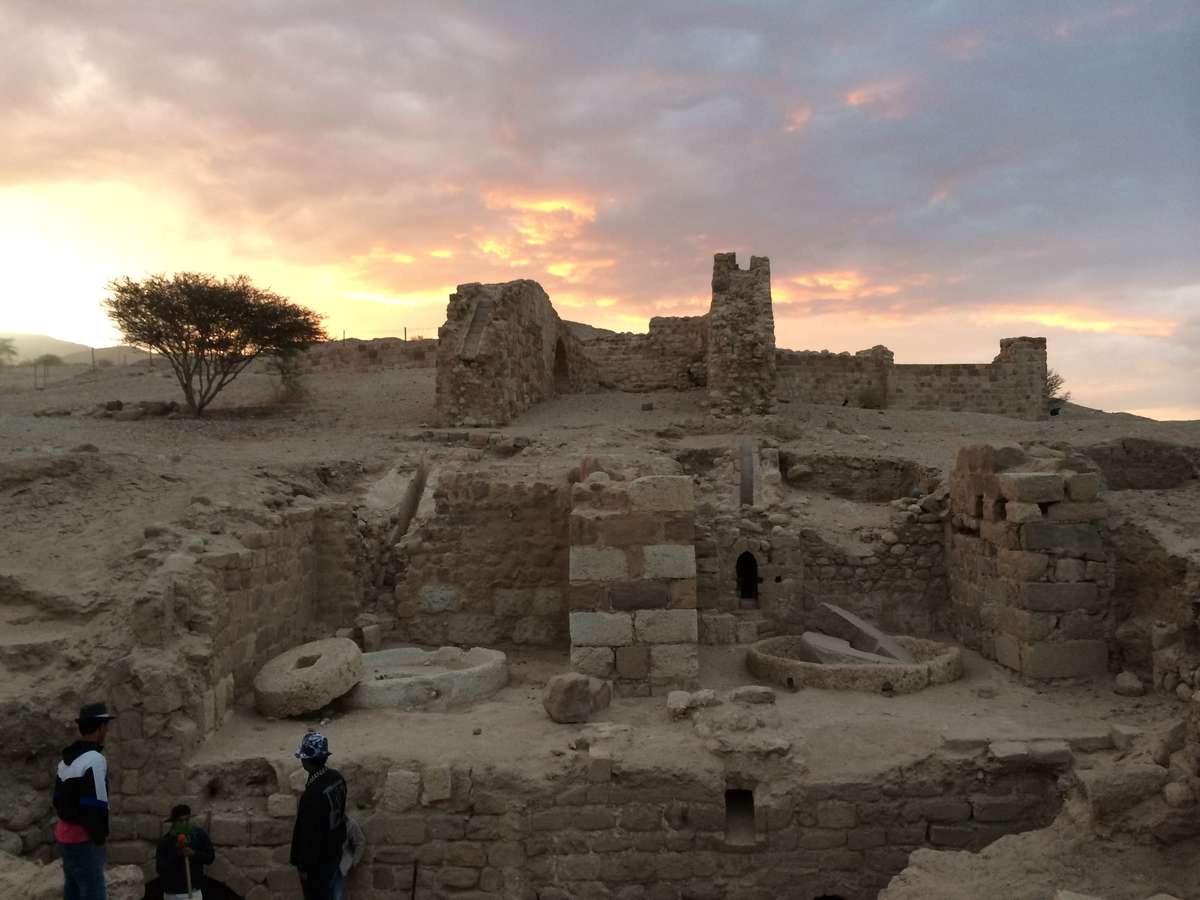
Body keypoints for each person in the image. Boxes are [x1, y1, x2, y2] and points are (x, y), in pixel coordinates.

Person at [53, 701, 116, 900]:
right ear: (100, 727)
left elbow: (57, 800)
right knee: (94, 893)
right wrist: (99, 838)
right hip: (83, 839)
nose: (107, 730)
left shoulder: (65, 761)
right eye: (106, 725)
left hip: (64, 835)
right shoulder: (95, 760)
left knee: (72, 891)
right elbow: (97, 804)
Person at [290, 732, 348, 900]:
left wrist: (303, 867)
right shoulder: (337, 778)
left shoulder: (313, 795)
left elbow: (310, 836)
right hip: (334, 850)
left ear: (306, 761)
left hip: (319, 862)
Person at [155, 804, 215, 900]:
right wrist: (176, 854)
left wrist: (194, 853)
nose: (184, 824)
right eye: (180, 821)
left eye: (186, 820)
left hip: (193, 893)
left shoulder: (199, 835)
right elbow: (160, 868)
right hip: (172, 894)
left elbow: (210, 858)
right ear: (173, 822)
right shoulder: (166, 841)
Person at [330, 815, 365, 900]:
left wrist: (355, 861)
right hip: (323, 868)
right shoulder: (322, 820)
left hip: (340, 867)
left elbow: (360, 842)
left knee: (338, 896)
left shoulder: (350, 823)